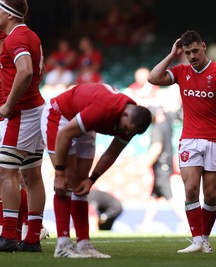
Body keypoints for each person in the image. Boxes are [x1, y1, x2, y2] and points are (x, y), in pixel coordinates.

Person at [148, 30, 216, 253]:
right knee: (190, 188)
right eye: (187, 52)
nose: (191, 56)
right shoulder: (181, 72)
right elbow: (153, 78)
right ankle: (197, 239)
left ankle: (205, 238)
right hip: (189, 140)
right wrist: (172, 55)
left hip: (215, 140)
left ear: (203, 47)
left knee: (210, 195)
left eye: (194, 50)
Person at [40, 83, 151, 258]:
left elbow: (112, 153)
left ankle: (84, 245)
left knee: (81, 186)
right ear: (125, 113)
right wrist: (59, 173)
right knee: (67, 182)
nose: (125, 132)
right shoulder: (104, 108)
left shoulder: (132, 122)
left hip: (86, 123)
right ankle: (62, 246)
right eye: (126, 128)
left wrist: (92, 180)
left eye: (130, 132)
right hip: (60, 116)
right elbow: (65, 134)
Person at [0, 0, 47, 253]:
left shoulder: (13, 39)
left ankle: (7, 235)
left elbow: (26, 70)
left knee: (6, 173)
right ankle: (32, 238)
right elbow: (41, 68)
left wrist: (9, 103)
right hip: (35, 110)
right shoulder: (31, 35)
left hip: (21, 114)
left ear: (7, 15)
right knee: (31, 175)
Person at [138, 106, 186, 231]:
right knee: (154, 196)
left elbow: (156, 148)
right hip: (167, 164)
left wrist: (145, 164)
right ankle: (146, 224)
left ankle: (188, 222)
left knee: (169, 196)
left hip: (161, 166)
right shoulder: (167, 125)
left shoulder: (157, 128)